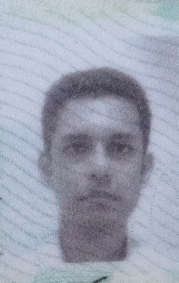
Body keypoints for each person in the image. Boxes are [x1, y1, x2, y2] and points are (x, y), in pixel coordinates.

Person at [39, 68, 154, 262]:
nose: (100, 169)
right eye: (77, 148)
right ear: (47, 169)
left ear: (145, 169)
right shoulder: (13, 275)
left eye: (120, 148)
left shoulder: (173, 276)